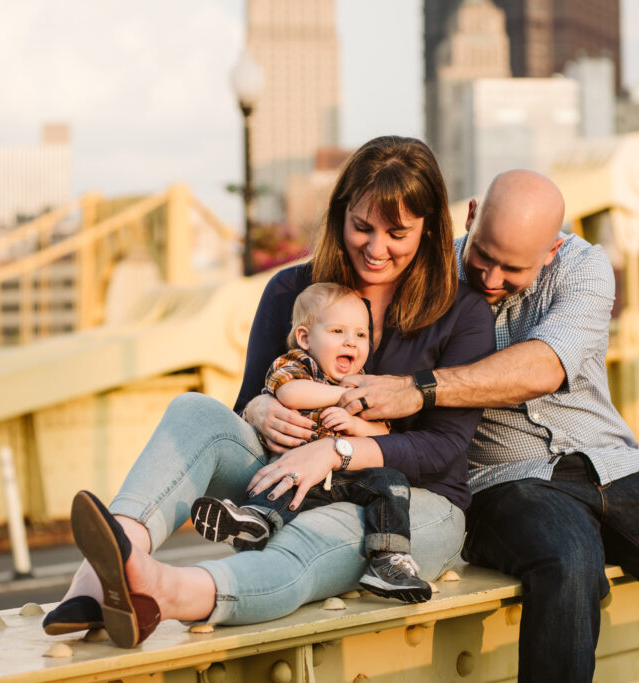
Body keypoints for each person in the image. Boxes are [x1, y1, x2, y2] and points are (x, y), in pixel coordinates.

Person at [339, 170, 639, 682]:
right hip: (502, 480)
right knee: (570, 565)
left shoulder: (585, 267)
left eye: (512, 268)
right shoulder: (427, 278)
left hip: (613, 462)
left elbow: (545, 366)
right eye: (483, 255)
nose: (490, 278)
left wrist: (417, 387)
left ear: (551, 250)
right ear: (470, 217)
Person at [41, 135, 495, 648]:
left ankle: (162, 592)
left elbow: (445, 447)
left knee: (309, 541)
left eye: (397, 233)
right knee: (194, 412)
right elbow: (245, 404)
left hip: (409, 504)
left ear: (430, 228)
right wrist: (258, 410)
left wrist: (336, 452)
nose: (375, 248)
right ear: (340, 214)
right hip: (288, 478)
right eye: (362, 227)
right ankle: (105, 568)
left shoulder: (463, 313)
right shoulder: (290, 290)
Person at [189, 282, 432, 603]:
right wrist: (348, 396)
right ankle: (253, 521)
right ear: (305, 338)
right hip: (297, 468)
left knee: (392, 483)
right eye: (338, 331)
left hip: (346, 477)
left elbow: (384, 436)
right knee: (280, 481)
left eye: (361, 335)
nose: (351, 341)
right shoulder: (300, 364)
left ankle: (388, 560)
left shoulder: (367, 383)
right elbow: (291, 392)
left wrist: (357, 422)